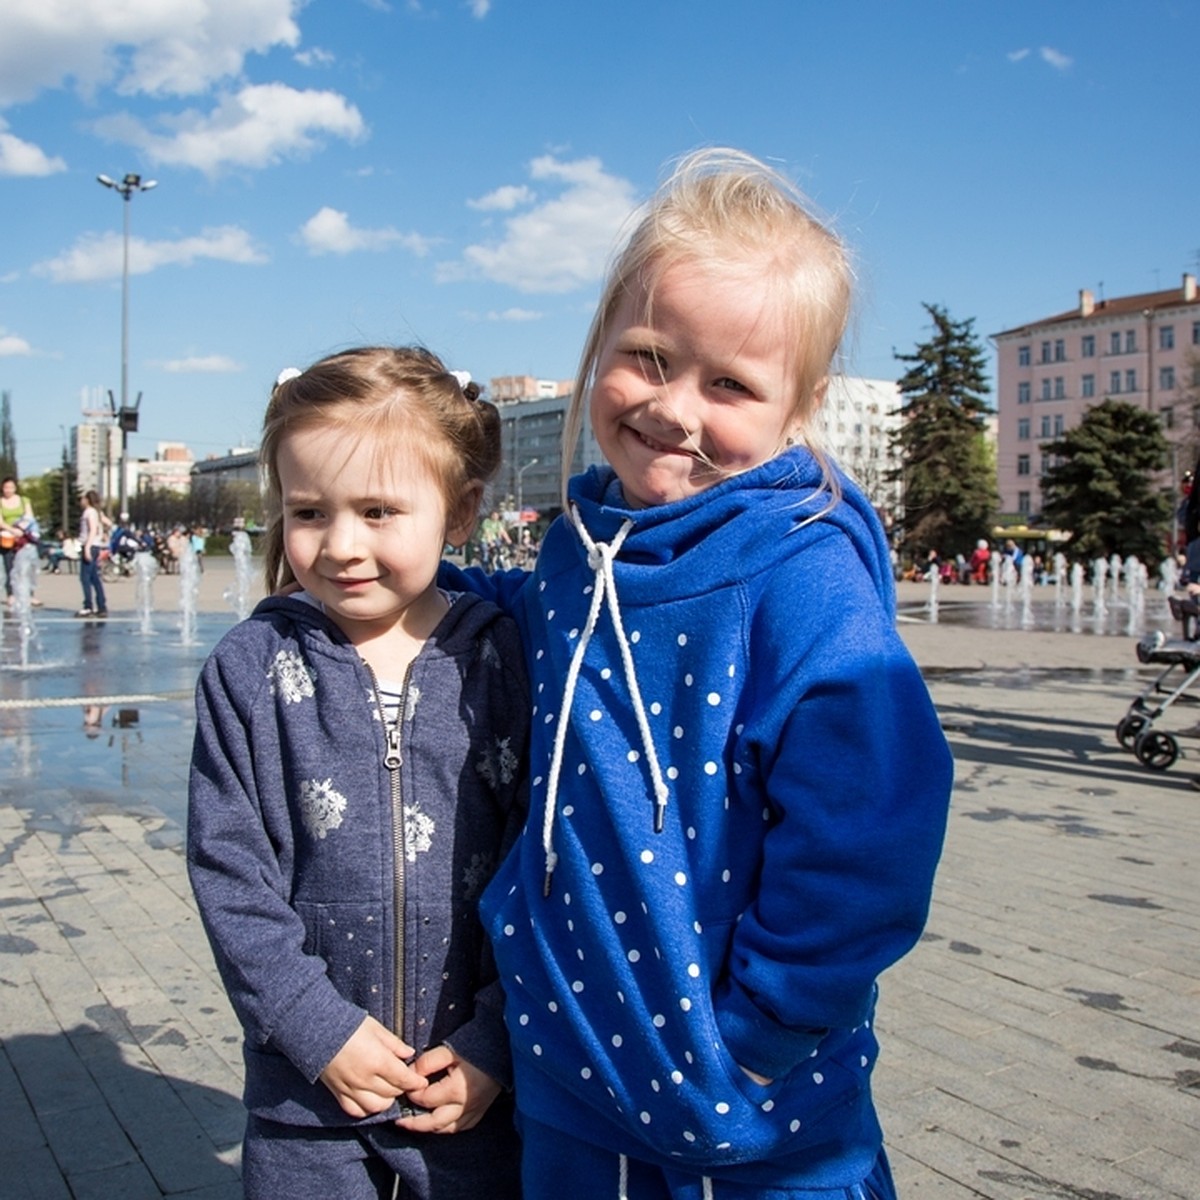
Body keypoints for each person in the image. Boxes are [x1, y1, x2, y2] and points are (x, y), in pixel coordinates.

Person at [442, 148, 953, 1199]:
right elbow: (520, 619)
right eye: (647, 356)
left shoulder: (805, 584)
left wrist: (758, 1035)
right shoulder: (577, 543)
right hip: (570, 1084)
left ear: (797, 409)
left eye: (730, 384)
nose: (675, 409)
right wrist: (387, 565)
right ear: (596, 351)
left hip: (752, 1124)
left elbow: (869, 843)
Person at [187, 347, 528, 1200]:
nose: (341, 545)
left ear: (460, 512)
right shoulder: (250, 668)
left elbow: (542, 863)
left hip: (468, 1098)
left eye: (378, 510)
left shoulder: (500, 659)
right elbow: (230, 872)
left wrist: (499, 1040)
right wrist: (313, 1027)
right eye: (309, 511)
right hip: (305, 1098)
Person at [1, 475, 34, 608]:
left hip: (23, 537)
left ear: (15, 488)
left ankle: (29, 594)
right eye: (6, 487)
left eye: (11, 487)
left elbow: (29, 517)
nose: (8, 490)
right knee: (9, 567)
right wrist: (12, 531)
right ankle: (11, 594)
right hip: (6, 537)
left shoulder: (24, 500)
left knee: (25, 567)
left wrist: (20, 529)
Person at [77, 489, 111, 618]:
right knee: (94, 578)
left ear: (87, 500)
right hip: (95, 545)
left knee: (85, 578)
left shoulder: (89, 512)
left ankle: (88, 606)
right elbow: (109, 523)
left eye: (82, 498)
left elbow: (92, 530)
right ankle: (101, 606)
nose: (81, 501)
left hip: (90, 545)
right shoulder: (97, 512)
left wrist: (87, 547)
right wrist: (103, 533)